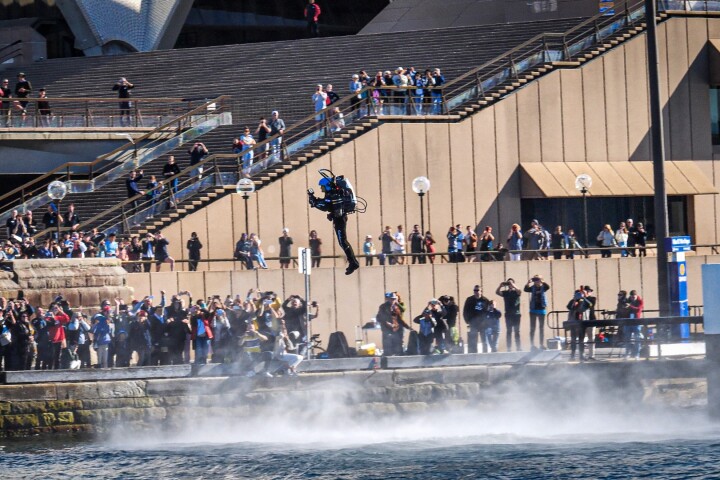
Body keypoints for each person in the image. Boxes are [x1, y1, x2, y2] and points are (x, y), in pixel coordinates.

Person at [307, 170, 360, 275]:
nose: (322, 190)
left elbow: (326, 206)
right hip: (339, 219)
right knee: (342, 242)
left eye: (322, 187)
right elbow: (330, 206)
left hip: (340, 220)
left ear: (327, 186)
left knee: (343, 241)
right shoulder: (332, 194)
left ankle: (353, 263)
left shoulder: (334, 195)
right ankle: (353, 262)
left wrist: (314, 201)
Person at [524, 275, 550, 350]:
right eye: (535, 280)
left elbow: (548, 287)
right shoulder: (532, 288)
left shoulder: (543, 287)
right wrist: (528, 282)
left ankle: (541, 344)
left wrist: (542, 281)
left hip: (541, 309)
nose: (536, 281)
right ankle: (532, 345)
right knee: (532, 328)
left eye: (537, 279)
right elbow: (526, 289)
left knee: (541, 328)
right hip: (533, 309)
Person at [496, 279, 522, 351]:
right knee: (509, 331)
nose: (509, 284)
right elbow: (497, 292)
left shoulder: (516, 292)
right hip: (508, 314)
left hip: (516, 314)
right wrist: (500, 286)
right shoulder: (506, 293)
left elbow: (520, 291)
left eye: (511, 283)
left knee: (517, 331)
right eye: (508, 283)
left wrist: (513, 285)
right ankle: (509, 348)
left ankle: (518, 347)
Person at [567, 289, 592, 361]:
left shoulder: (584, 301)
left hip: (582, 323)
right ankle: (572, 355)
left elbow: (590, 305)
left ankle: (581, 355)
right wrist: (575, 300)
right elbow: (569, 307)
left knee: (581, 340)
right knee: (573, 340)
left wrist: (584, 298)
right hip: (573, 323)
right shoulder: (572, 302)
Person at [463, 285, 489, 354]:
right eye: (474, 290)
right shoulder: (469, 300)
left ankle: (485, 354)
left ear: (481, 291)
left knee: (484, 340)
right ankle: (473, 355)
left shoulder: (485, 300)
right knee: (473, 341)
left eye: (477, 290)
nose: (476, 292)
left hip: (483, 324)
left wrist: (487, 322)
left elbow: (488, 312)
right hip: (473, 323)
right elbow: (465, 311)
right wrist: (467, 321)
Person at [625, 290, 644, 359]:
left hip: (636, 322)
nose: (633, 298)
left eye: (634, 297)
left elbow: (638, 310)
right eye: (632, 297)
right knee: (627, 339)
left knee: (637, 339)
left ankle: (637, 355)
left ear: (636, 296)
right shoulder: (627, 301)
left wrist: (630, 306)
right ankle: (627, 354)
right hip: (628, 322)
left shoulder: (640, 301)